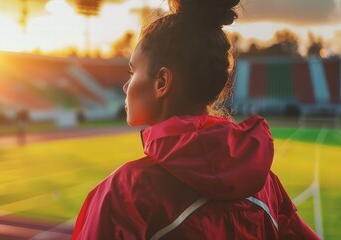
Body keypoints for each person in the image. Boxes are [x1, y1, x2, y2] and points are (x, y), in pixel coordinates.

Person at [72, 0, 320, 239]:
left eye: (132, 71)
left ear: (161, 82)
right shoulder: (267, 187)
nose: (126, 86)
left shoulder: (125, 194)